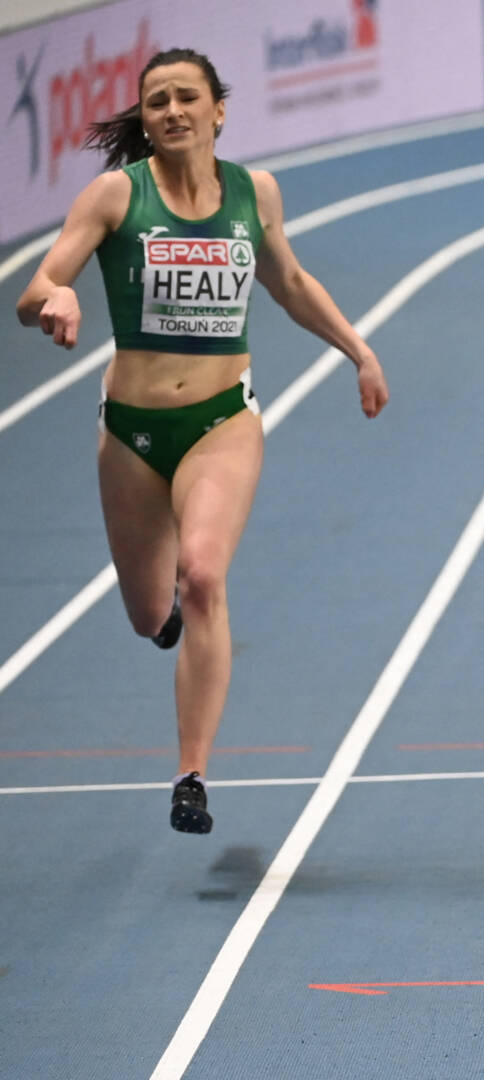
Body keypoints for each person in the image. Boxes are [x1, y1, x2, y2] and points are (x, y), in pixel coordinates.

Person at [14, 48, 390, 835]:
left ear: (219, 109)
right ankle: (168, 626)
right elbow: (36, 287)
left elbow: (288, 282)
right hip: (131, 433)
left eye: (187, 97)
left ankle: (191, 775)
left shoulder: (255, 193)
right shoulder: (117, 195)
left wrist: (358, 351)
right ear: (145, 118)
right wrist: (56, 301)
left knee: (203, 576)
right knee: (149, 613)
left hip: (221, 419)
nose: (173, 111)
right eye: (157, 101)